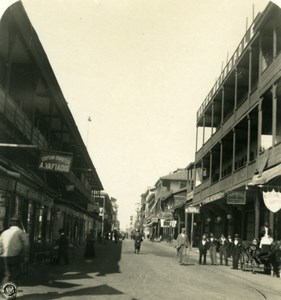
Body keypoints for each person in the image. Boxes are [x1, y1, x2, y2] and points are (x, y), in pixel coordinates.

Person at [0, 216, 29, 284]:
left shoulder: (4, 232)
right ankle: (10, 291)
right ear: (18, 224)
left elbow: (0, 244)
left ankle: (5, 287)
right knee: (15, 275)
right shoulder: (20, 232)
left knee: (6, 273)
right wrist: (26, 255)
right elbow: (26, 244)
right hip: (15, 256)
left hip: (3, 257)